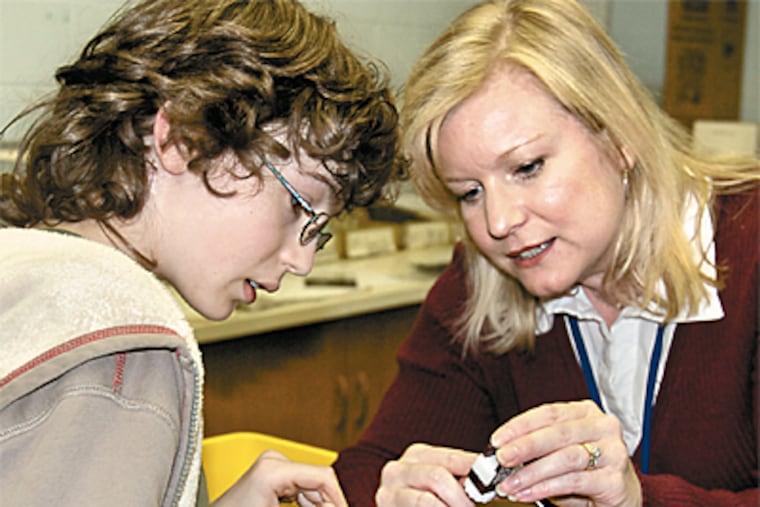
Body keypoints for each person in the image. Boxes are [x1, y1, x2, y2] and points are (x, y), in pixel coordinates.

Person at [332, 0, 759, 506]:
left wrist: (638, 500)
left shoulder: (749, 244)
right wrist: (392, 494)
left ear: (618, 137)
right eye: (470, 192)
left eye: (527, 167)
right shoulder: (478, 284)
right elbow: (370, 466)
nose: (498, 222)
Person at [0, 0, 403, 505]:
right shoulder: (126, 344)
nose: (302, 261)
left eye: (317, 231)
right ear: (183, 141)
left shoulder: (29, 266)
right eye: (299, 207)